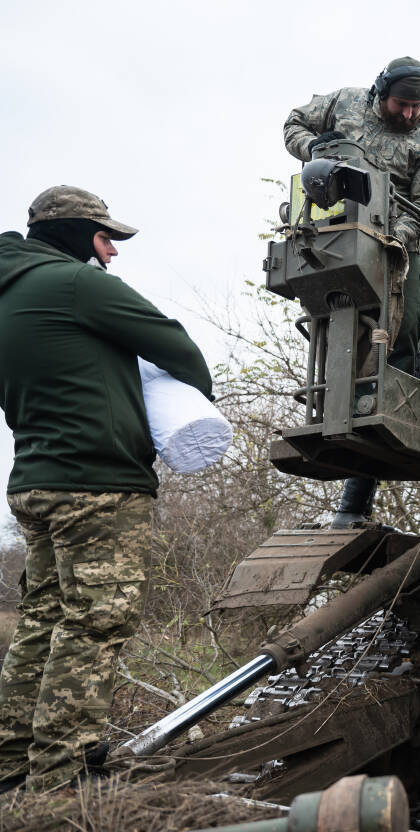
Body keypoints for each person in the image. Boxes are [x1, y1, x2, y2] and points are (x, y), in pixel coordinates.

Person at [0, 186, 214, 792]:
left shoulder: (8, 296)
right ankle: (62, 781)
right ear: (72, 234)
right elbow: (173, 341)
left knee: (43, 620)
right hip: (99, 485)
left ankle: (12, 767)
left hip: (35, 484)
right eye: (105, 238)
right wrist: (199, 403)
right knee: (95, 624)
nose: (113, 254)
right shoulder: (72, 282)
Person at [284, 56, 420, 528]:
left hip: (395, 241)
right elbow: (294, 122)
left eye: (418, 108)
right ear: (382, 94)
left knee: (406, 323)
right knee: (336, 323)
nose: (409, 115)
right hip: (328, 230)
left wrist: (393, 238)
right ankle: (332, 407)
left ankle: (392, 418)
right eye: (402, 105)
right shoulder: (345, 102)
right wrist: (312, 147)